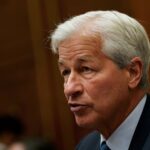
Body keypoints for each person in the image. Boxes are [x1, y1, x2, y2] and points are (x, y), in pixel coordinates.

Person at [50, 10, 150, 150]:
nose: (69, 88)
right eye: (65, 72)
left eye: (86, 69)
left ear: (133, 72)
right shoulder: (85, 147)